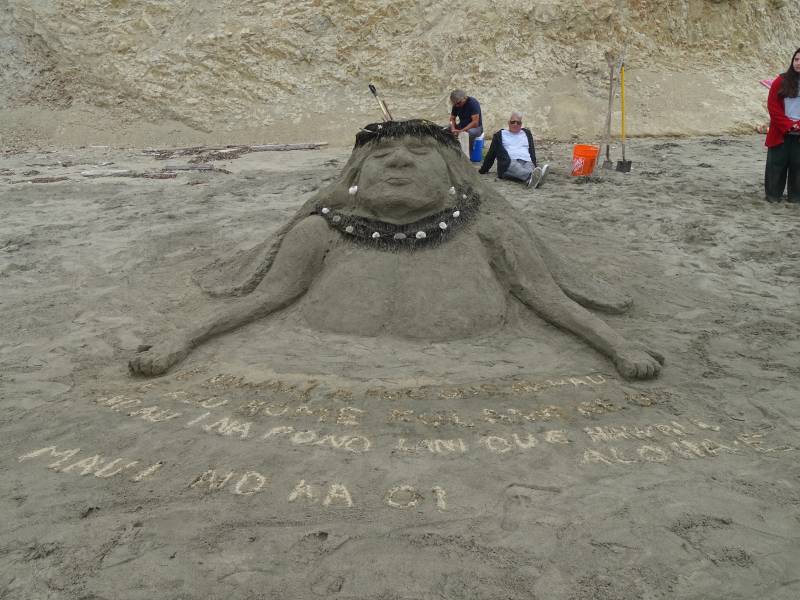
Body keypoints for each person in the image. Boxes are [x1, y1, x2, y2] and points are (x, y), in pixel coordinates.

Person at [765, 48, 800, 203]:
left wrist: (798, 125)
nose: (798, 63)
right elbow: (773, 106)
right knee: (775, 167)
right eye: (797, 59)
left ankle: (795, 198)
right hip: (780, 133)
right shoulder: (780, 81)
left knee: (798, 169)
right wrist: (788, 125)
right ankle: (773, 197)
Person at [478, 111, 549, 188]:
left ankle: (532, 180)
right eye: (513, 122)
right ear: (508, 123)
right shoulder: (500, 135)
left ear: (521, 125)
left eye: (518, 123)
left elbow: (532, 151)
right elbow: (491, 154)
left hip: (527, 161)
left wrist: (534, 164)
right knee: (516, 168)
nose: (515, 124)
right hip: (509, 162)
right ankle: (534, 178)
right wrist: (483, 170)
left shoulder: (526, 133)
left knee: (530, 167)